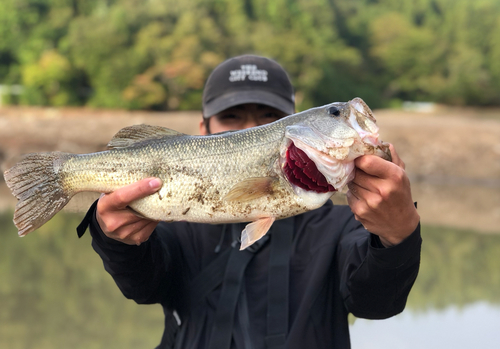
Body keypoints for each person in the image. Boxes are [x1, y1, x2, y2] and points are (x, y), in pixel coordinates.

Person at [78, 55, 421, 349]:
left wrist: (397, 236)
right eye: (231, 118)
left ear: (293, 124)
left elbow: (376, 302)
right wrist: (114, 239)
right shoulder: (174, 222)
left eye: (269, 117)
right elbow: (143, 285)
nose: (249, 129)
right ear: (202, 128)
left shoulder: (343, 227)